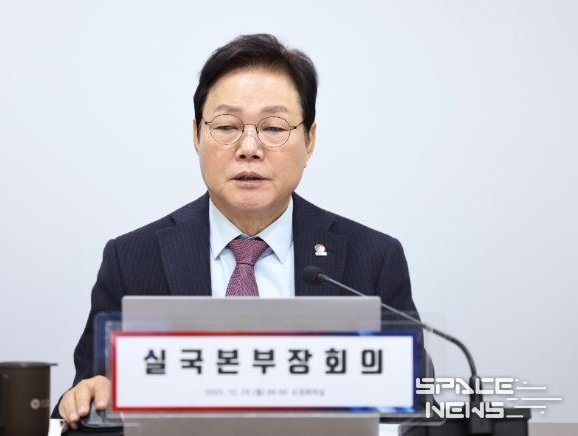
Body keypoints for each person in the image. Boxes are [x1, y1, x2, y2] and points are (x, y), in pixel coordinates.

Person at [54, 33, 423, 428]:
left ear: (309, 140)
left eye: (274, 128)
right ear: (196, 135)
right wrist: (90, 397)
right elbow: (86, 399)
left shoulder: (373, 259)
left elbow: (416, 400)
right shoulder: (132, 260)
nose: (249, 148)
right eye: (227, 126)